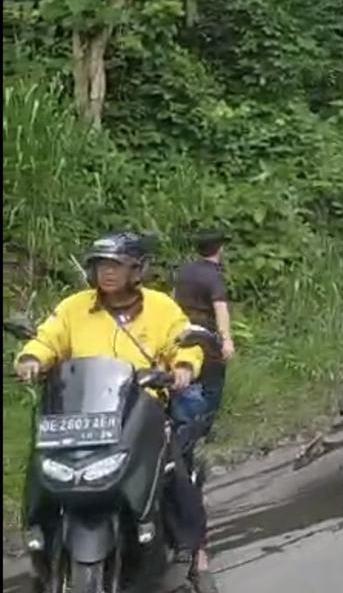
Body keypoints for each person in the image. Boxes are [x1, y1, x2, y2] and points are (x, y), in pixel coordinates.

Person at [14, 232, 220, 593]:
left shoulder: (160, 307)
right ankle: (40, 544)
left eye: (116, 265)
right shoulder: (74, 307)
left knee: (173, 474)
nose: (107, 273)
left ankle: (196, 555)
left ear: (136, 270)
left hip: (140, 408)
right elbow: (49, 337)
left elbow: (181, 338)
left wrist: (184, 365)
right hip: (78, 414)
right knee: (39, 470)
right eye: (100, 265)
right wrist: (32, 358)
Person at [173, 230, 235, 427]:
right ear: (220, 249)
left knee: (187, 378)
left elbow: (173, 298)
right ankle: (204, 426)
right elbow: (220, 308)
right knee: (212, 383)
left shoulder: (184, 271)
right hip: (205, 335)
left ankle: (184, 422)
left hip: (182, 330)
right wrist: (226, 340)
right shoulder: (214, 276)